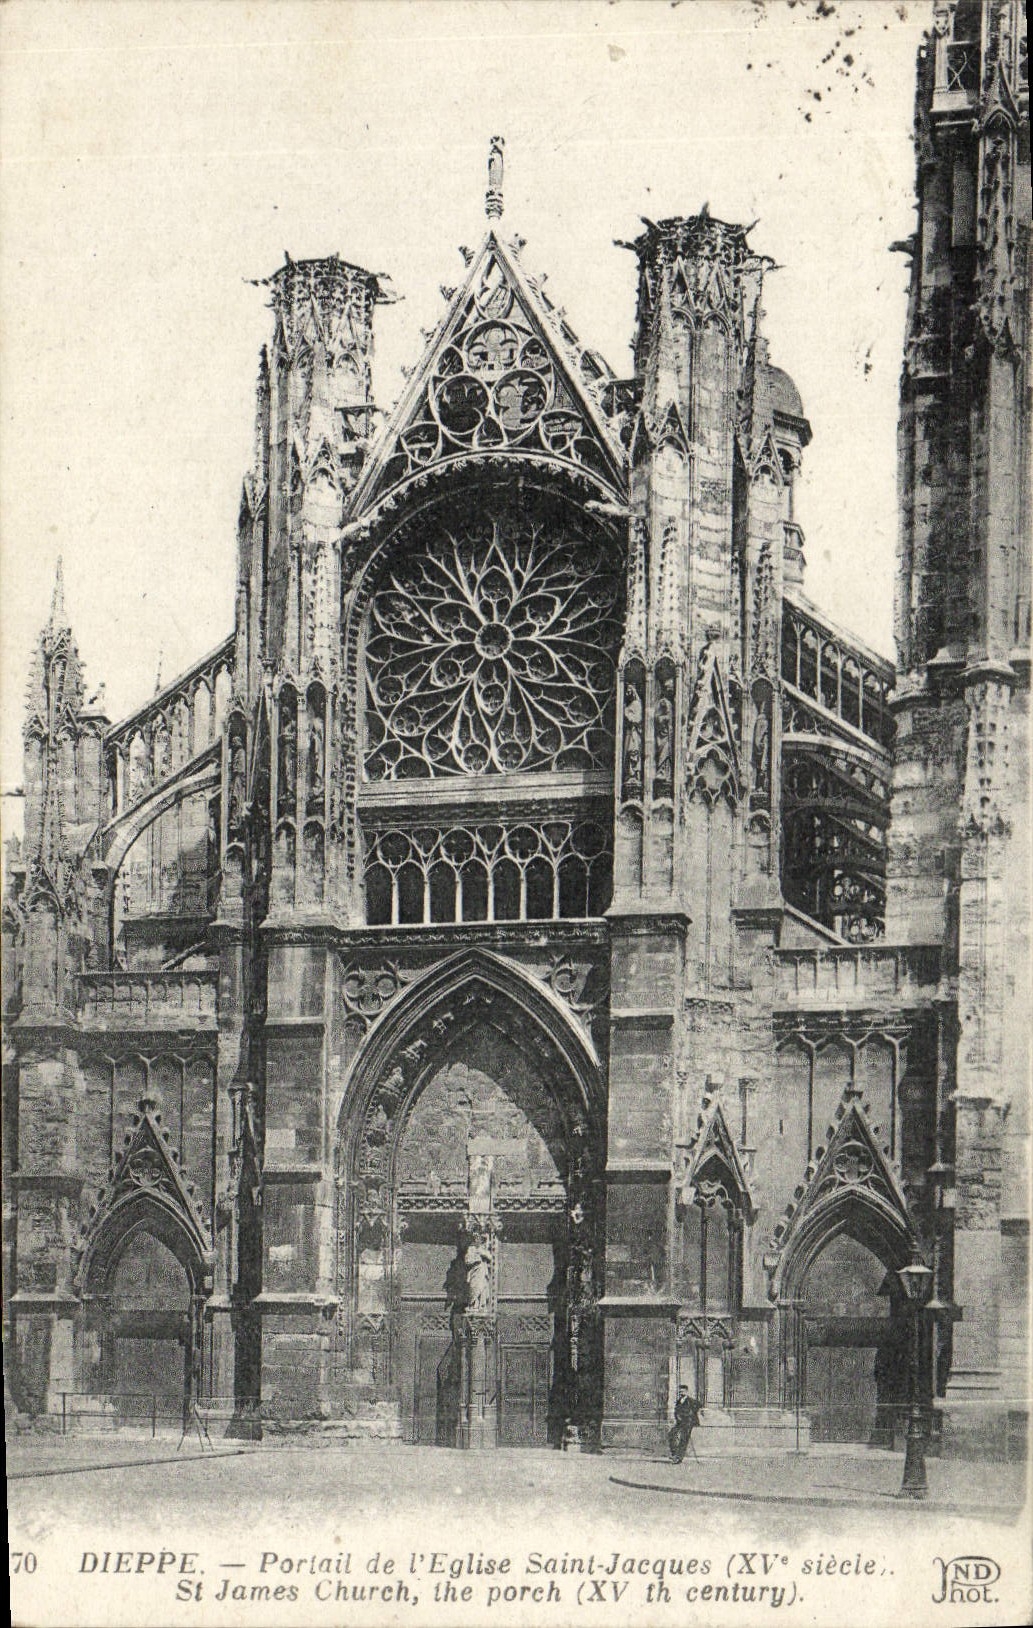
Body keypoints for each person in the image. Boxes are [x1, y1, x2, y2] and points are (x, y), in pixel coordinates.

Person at [668, 1385, 702, 1464]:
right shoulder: (679, 1401)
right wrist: (677, 1417)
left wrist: (692, 1415)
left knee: (683, 1439)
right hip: (679, 1423)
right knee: (671, 1435)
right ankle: (674, 1454)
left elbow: (699, 1405)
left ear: (686, 1392)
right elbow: (676, 1411)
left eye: (682, 1391)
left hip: (688, 1423)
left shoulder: (691, 1401)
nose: (681, 1393)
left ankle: (678, 1458)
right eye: (680, 1391)